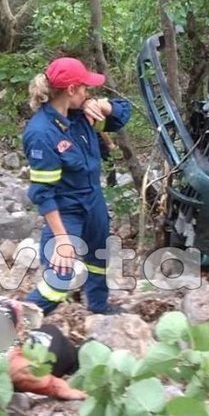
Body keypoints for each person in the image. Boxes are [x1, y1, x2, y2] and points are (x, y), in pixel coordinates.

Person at [22, 57, 131, 316]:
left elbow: (122, 114)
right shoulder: (41, 133)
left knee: (98, 257)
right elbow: (43, 194)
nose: (88, 92)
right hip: (66, 209)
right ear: (71, 90)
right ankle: (13, 319)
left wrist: (99, 105)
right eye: (84, 88)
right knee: (59, 282)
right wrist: (61, 239)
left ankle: (98, 306)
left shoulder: (82, 115)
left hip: (93, 201)